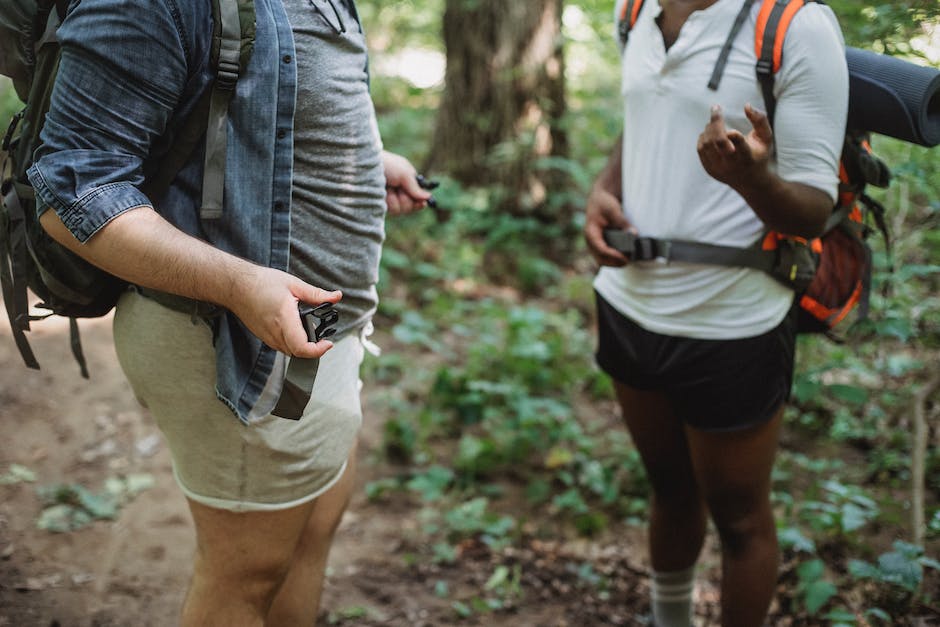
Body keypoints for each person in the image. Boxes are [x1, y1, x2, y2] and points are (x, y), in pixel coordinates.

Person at [27, 0, 430, 624]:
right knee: (245, 575)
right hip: (232, 344)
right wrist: (239, 284)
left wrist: (367, 167)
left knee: (313, 523)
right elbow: (73, 190)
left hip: (318, 332)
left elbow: (258, 109)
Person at [583, 1, 848, 625]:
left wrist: (751, 179)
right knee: (670, 494)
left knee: (739, 519)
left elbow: (811, 208)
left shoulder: (795, 26)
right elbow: (644, 116)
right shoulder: (636, 10)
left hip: (733, 322)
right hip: (629, 301)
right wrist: (606, 187)